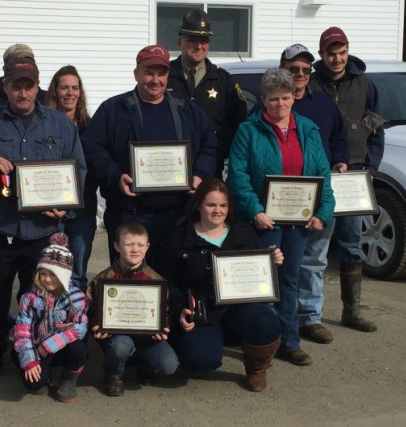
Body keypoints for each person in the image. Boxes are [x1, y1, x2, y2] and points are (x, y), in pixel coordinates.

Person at [0, 55, 87, 386]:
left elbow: (79, 170)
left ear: (37, 87)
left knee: (44, 302)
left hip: (43, 233)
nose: (22, 92)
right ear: (5, 87)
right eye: (15, 85)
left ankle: (34, 357)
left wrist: (66, 207)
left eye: (28, 85)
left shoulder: (60, 125)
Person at [228, 68, 334, 366]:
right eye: (273, 99)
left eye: (286, 98)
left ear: (294, 97)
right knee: (263, 281)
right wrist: (255, 211)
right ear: (263, 99)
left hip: (298, 222)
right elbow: (237, 176)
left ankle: (290, 341)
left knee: (290, 280)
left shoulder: (308, 129)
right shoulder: (248, 131)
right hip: (265, 220)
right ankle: (260, 339)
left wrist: (322, 212)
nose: (280, 104)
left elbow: (322, 174)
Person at [82, 44, 217, 268]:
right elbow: (91, 147)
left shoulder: (187, 110)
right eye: (149, 72)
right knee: (130, 285)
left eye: (161, 73)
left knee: (173, 284)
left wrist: (200, 175)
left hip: (176, 216)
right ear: (136, 74)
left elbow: (209, 144)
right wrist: (115, 176)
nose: (155, 80)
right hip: (128, 215)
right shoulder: (113, 109)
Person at [162, 178, 282, 391]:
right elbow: (168, 281)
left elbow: (258, 273)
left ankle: (256, 368)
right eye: (211, 205)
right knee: (201, 361)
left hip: (239, 309)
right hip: (201, 311)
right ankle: (203, 346)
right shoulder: (178, 237)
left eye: (223, 205)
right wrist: (179, 310)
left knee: (266, 321)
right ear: (198, 205)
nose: (217, 210)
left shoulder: (242, 233)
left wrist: (272, 262)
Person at [310, 27, 385, 333]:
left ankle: (351, 311)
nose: (337, 58)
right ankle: (310, 317)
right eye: (331, 53)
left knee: (352, 245)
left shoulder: (365, 84)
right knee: (317, 247)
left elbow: (377, 126)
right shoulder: (312, 83)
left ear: (348, 51)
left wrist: (371, 166)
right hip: (321, 173)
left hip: (354, 173)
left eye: (341, 52)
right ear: (322, 54)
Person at [277, 43, 349, 344]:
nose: (300, 74)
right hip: (281, 201)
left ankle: (310, 317)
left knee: (314, 260)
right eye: (294, 69)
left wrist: (341, 159)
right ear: (283, 69)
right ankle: (281, 319)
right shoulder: (272, 103)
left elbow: (340, 135)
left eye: (306, 69)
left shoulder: (323, 103)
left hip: (317, 195)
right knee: (282, 262)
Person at [86, 222, 178, 397]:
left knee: (169, 364)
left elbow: (166, 311)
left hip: (146, 337)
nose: (135, 249)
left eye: (140, 245)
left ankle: (143, 365)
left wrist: (163, 326)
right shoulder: (104, 279)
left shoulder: (156, 280)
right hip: (117, 336)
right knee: (121, 346)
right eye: (128, 244)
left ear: (147, 247)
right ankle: (113, 374)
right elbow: (91, 308)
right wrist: (96, 324)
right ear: (116, 246)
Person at [167, 9, 248, 179]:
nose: (199, 46)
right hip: (170, 169)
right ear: (179, 42)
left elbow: (238, 125)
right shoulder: (165, 76)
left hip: (211, 171)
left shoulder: (223, 80)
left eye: (204, 40)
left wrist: (216, 152)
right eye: (192, 40)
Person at [12, 233, 88, 403]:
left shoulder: (76, 297)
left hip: (62, 345)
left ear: (64, 275)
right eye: (43, 273)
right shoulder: (30, 297)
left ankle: (69, 378)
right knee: (33, 384)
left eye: (53, 274)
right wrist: (30, 360)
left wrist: (53, 342)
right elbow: (22, 330)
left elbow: (80, 327)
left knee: (79, 350)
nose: (47, 279)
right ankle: (41, 372)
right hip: (38, 347)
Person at [45, 65, 95, 291]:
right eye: (64, 87)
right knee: (49, 273)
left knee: (77, 273)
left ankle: (74, 324)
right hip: (49, 211)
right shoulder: (42, 125)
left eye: (75, 88)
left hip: (82, 209)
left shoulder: (91, 127)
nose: (70, 93)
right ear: (54, 91)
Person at [0, 43, 46, 113]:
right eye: (15, 61)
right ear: (5, 69)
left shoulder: (48, 100)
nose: (23, 95)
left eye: (27, 60)